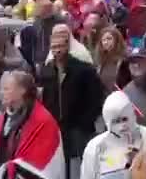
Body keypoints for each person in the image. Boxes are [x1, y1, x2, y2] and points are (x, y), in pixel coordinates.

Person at [40, 25, 104, 179]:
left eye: (60, 46)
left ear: (67, 46)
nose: (57, 50)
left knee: (79, 166)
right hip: (57, 128)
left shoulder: (84, 69)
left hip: (78, 128)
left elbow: (96, 97)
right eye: (54, 47)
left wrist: (85, 120)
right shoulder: (47, 70)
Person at [0, 71, 66, 179]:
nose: (1, 93)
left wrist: (13, 168)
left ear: (22, 91)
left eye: (6, 89)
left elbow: (43, 165)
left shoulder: (43, 120)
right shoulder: (3, 118)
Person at [80, 91, 146, 179]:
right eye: (116, 121)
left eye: (124, 119)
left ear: (132, 115)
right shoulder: (95, 147)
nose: (122, 126)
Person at [95, 27, 132, 94]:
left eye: (109, 39)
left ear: (117, 40)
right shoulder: (100, 62)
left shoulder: (126, 60)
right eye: (103, 40)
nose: (106, 42)